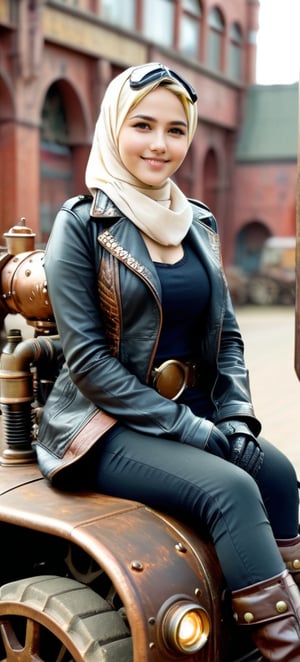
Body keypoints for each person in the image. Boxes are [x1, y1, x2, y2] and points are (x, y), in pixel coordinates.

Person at [34, 62, 300, 660]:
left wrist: (235, 418)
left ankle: (253, 646)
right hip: (105, 424)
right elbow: (89, 364)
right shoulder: (81, 226)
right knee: (230, 489)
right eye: (143, 125)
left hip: (198, 411)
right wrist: (193, 431)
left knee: (277, 473)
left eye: (176, 130)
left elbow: (227, 336)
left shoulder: (199, 222)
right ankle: (287, 651)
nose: (160, 144)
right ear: (113, 127)